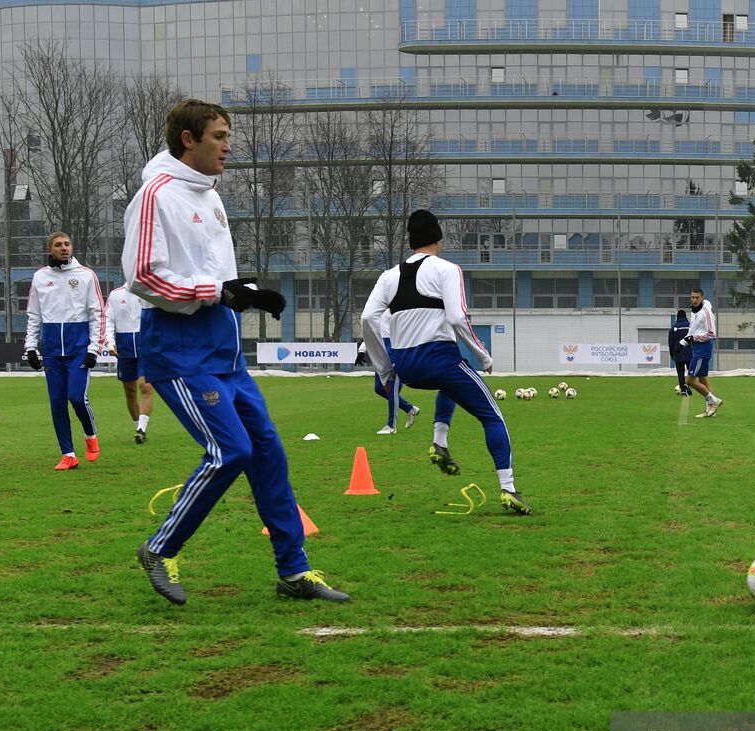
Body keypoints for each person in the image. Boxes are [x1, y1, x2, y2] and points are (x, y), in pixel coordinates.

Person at [124, 98, 348, 604]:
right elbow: (142, 277)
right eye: (220, 136)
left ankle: (294, 571)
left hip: (224, 352)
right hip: (179, 352)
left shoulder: (210, 196)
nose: (229, 146)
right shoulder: (155, 194)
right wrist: (218, 293)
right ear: (189, 139)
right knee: (231, 451)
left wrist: (244, 292)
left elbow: (212, 275)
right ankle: (161, 547)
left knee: (268, 453)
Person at [360, 209, 530, 514]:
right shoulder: (447, 269)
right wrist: (483, 355)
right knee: (493, 418)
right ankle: (509, 489)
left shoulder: (389, 276)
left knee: (447, 386)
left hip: (407, 368)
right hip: (441, 360)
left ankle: (439, 441)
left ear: (411, 242)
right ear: (439, 239)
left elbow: (367, 318)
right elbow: (456, 317)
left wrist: (384, 368)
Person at [24, 232, 106, 470]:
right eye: (58, 245)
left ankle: (90, 435)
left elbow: (97, 313)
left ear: (72, 247)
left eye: (67, 244)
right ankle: (68, 454)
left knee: (76, 397)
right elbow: (33, 315)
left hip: (79, 348)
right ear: (50, 249)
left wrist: (94, 349)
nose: (63, 248)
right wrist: (31, 347)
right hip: (51, 351)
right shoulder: (40, 277)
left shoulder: (86, 275)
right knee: (57, 401)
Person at [105, 284, 154, 443]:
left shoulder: (149, 292)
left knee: (145, 386)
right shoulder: (115, 295)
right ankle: (138, 428)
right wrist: (109, 342)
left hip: (145, 346)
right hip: (124, 348)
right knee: (130, 391)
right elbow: (109, 320)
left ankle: (142, 429)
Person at [362, 320, 420, 436]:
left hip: (394, 357)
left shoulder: (394, 312)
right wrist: (362, 350)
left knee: (392, 390)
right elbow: (371, 334)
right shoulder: (377, 311)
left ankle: (391, 426)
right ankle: (410, 409)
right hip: (381, 358)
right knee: (379, 389)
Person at [683, 288, 722, 417]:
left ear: (702, 298)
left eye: (697, 298)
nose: (694, 300)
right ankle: (711, 410)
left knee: (689, 380)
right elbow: (692, 330)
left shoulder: (706, 312)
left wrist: (694, 338)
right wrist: (683, 342)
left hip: (703, 349)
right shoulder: (694, 311)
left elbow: (711, 333)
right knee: (703, 378)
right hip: (697, 347)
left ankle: (714, 401)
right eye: (692, 297)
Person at [668, 308, 691, 396]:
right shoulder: (690, 326)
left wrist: (672, 354)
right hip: (690, 353)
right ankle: (689, 385)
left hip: (678, 353)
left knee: (680, 372)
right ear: (685, 316)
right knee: (690, 371)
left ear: (677, 317)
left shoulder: (674, 328)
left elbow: (670, 343)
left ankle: (683, 389)